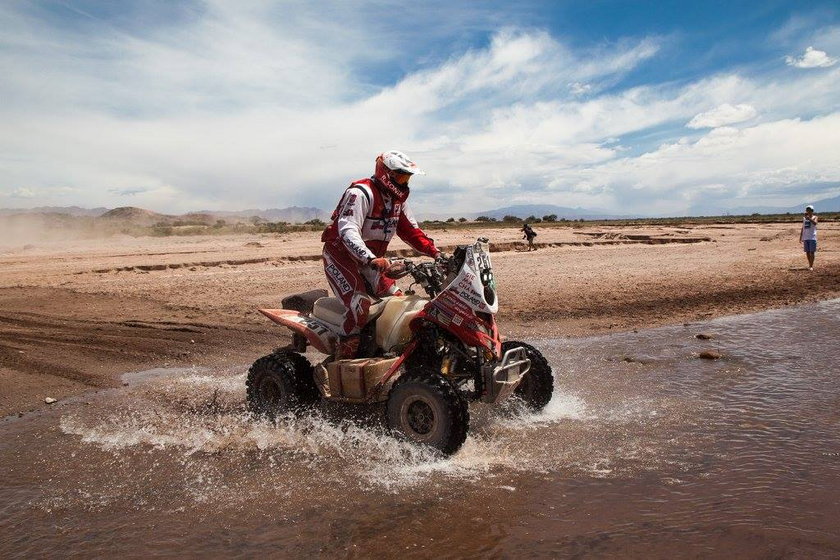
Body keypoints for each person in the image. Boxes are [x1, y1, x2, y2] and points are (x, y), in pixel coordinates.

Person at [321, 150, 441, 358]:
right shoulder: (360, 193)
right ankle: (341, 363)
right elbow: (348, 230)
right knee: (359, 305)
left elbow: (412, 232)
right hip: (342, 256)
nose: (404, 182)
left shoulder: (397, 202)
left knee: (401, 304)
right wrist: (370, 258)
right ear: (386, 174)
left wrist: (436, 253)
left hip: (373, 262)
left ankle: (385, 353)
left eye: (407, 177)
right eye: (401, 176)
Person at [800, 205, 818, 271]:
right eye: (807, 210)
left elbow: (815, 223)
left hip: (812, 237)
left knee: (812, 252)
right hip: (806, 237)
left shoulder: (815, 217)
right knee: (807, 252)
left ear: (812, 211)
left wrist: (809, 219)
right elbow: (803, 228)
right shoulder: (804, 218)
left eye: (809, 210)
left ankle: (811, 266)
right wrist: (801, 237)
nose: (808, 211)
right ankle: (809, 264)